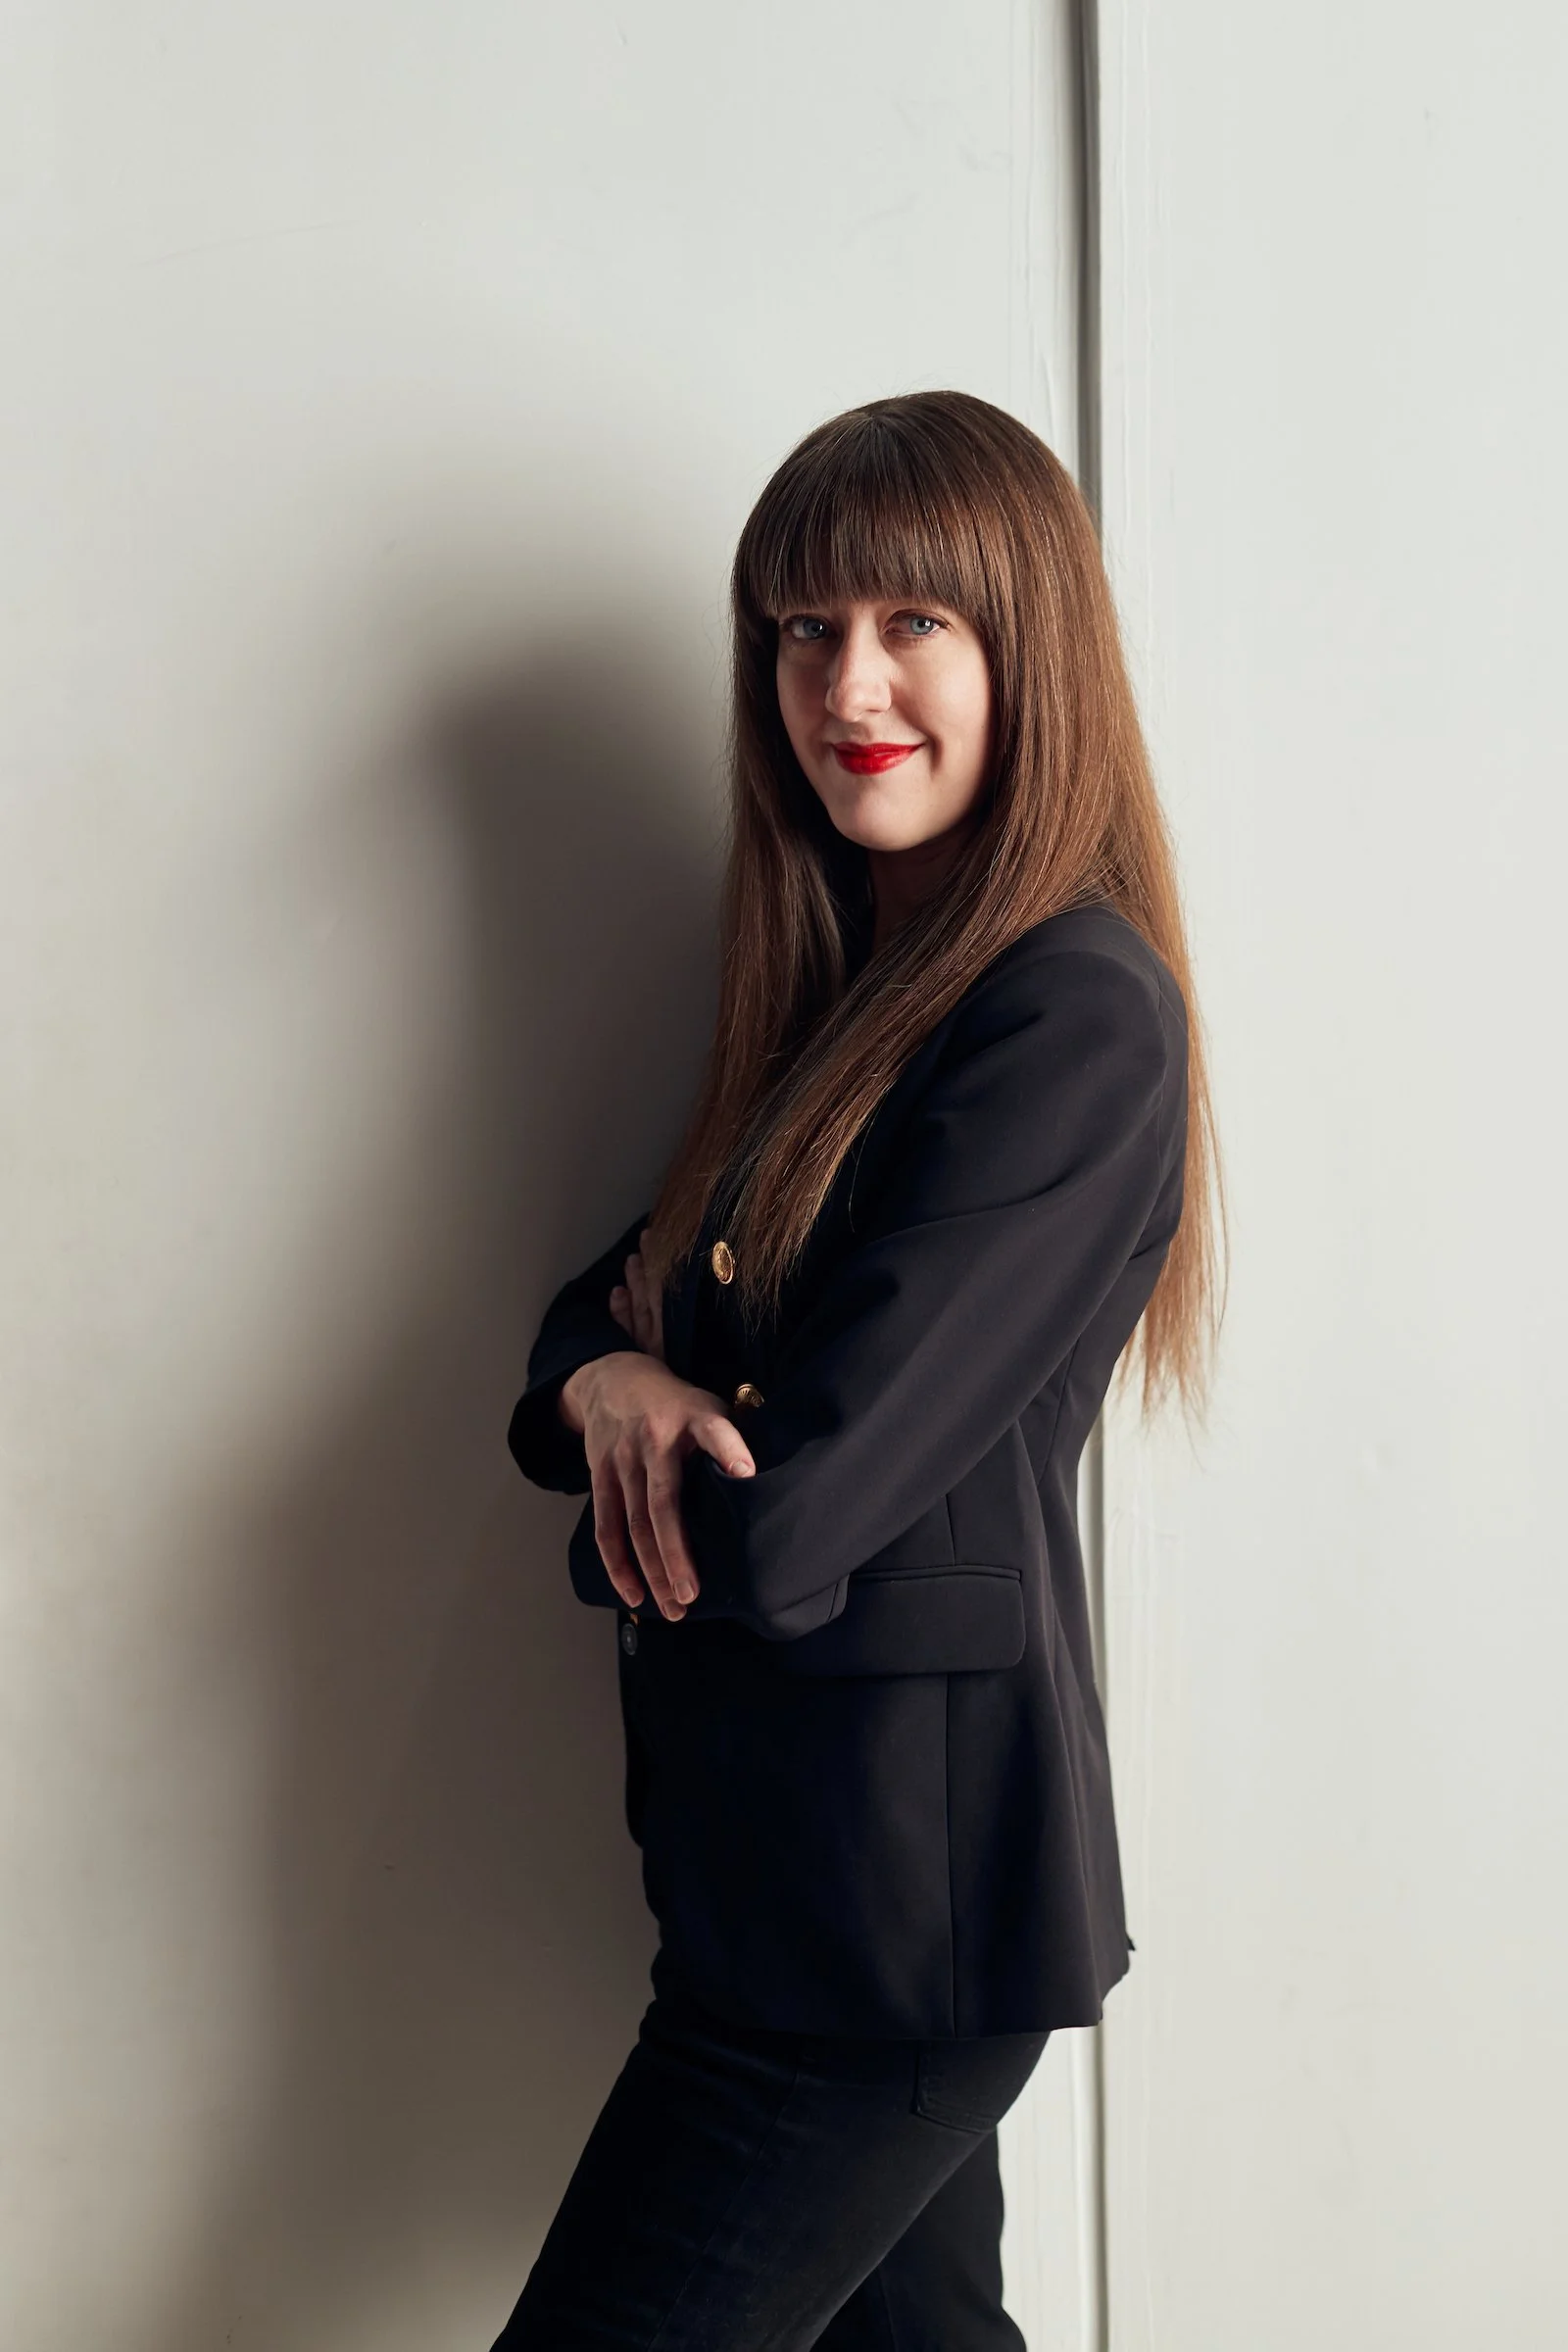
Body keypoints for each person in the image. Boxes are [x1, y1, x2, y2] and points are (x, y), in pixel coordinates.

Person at [492, 390, 1221, 2350]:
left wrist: (655, 1455)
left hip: (887, 1933)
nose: (847, 683)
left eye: (914, 624)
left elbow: (802, 1498)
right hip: (776, 1899)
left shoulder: (1069, 1015)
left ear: (1023, 652)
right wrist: (608, 1394)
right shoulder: (830, 1006)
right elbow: (597, 1315)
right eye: (803, 631)